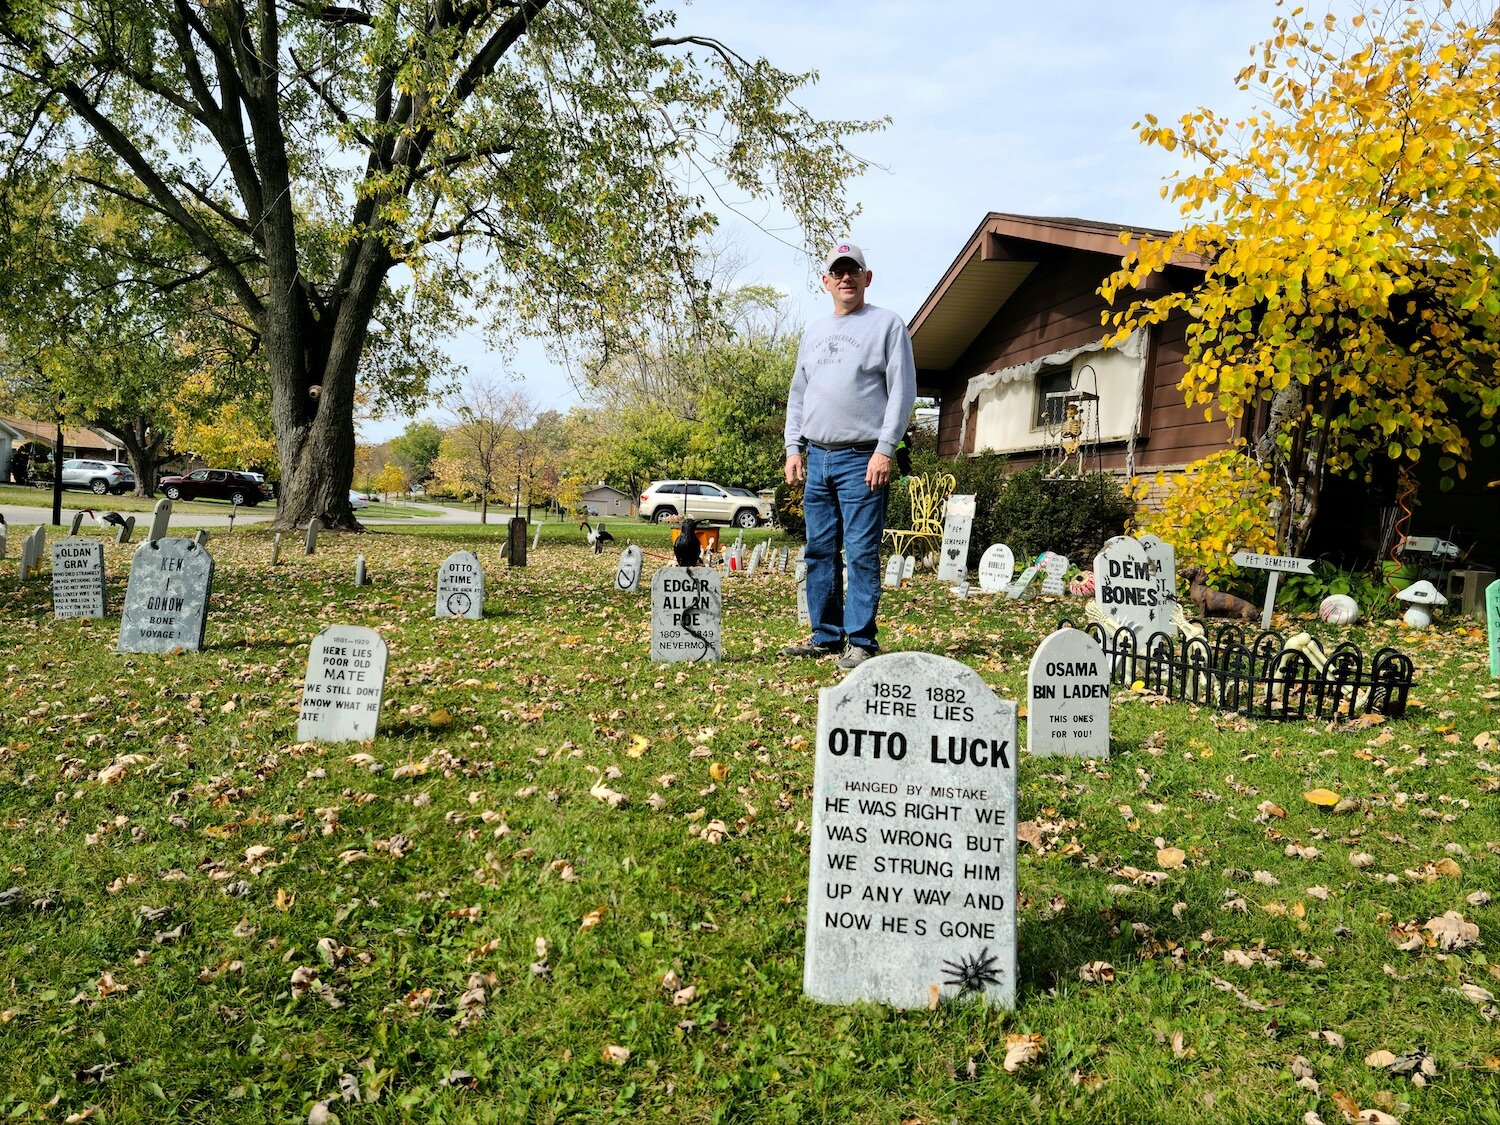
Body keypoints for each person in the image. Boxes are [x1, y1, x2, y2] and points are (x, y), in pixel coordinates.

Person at [780, 241, 917, 670]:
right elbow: (798, 395)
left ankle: (861, 641)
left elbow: (902, 391)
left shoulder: (887, 325)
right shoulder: (814, 332)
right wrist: (793, 447)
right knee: (818, 550)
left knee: (859, 551)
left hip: (862, 459)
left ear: (866, 277)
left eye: (853, 270)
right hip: (817, 458)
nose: (845, 278)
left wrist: (884, 449)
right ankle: (825, 637)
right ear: (825, 281)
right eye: (837, 272)